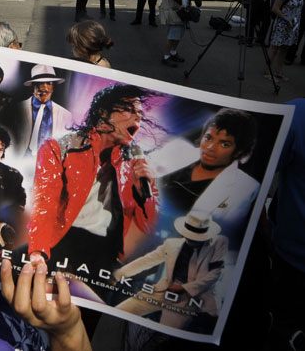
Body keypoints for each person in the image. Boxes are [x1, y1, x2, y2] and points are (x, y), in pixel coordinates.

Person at [27, 84, 159, 279]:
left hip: (104, 250)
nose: (138, 117)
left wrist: (143, 195)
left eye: (139, 113)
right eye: (129, 110)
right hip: (61, 239)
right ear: (103, 113)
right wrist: (38, 250)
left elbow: (147, 224)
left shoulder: (134, 165)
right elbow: (45, 202)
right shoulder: (59, 148)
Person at [159, 108, 259, 248]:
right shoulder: (178, 152)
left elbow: (223, 239)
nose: (211, 147)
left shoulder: (246, 188)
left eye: (224, 144)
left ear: (239, 151)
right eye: (208, 138)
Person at [114, 211, 228, 332]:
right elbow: (147, 260)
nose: (191, 240)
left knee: (162, 334)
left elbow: (215, 274)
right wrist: (119, 274)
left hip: (191, 298)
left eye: (196, 238)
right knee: (118, 312)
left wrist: (184, 288)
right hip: (164, 289)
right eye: (189, 235)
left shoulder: (219, 243)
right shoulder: (172, 244)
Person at [267, 98, 305, 351]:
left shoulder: (297, 114)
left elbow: (256, 178)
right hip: (292, 257)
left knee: (282, 326)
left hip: (292, 259)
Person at [16, 64, 72, 156]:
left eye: (49, 83)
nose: (44, 88)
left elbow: (66, 147)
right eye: (40, 83)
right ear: (33, 86)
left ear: (53, 87)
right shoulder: (17, 109)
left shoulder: (66, 115)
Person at [266, 0, 305, 82]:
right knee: (274, 48)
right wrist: (286, 19)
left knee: (284, 49)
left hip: (292, 26)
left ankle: (279, 71)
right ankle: (268, 71)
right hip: (282, 24)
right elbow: (275, 8)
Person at [159, 0, 191, 67]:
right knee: (172, 36)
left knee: (178, 35)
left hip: (180, 13)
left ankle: (173, 52)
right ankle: (166, 56)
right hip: (172, 13)